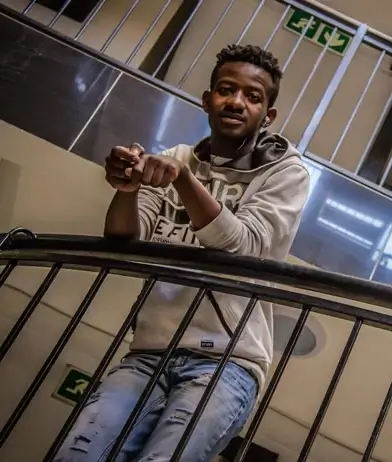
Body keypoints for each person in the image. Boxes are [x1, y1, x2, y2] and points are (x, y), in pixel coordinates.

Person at [56, 44, 309, 461]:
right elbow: (124, 242)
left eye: (253, 96)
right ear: (207, 99)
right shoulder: (176, 157)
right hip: (149, 352)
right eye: (227, 90)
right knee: (76, 454)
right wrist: (128, 189)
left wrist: (183, 181)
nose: (237, 101)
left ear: (268, 115)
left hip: (228, 363)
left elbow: (242, 245)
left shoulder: (287, 171)